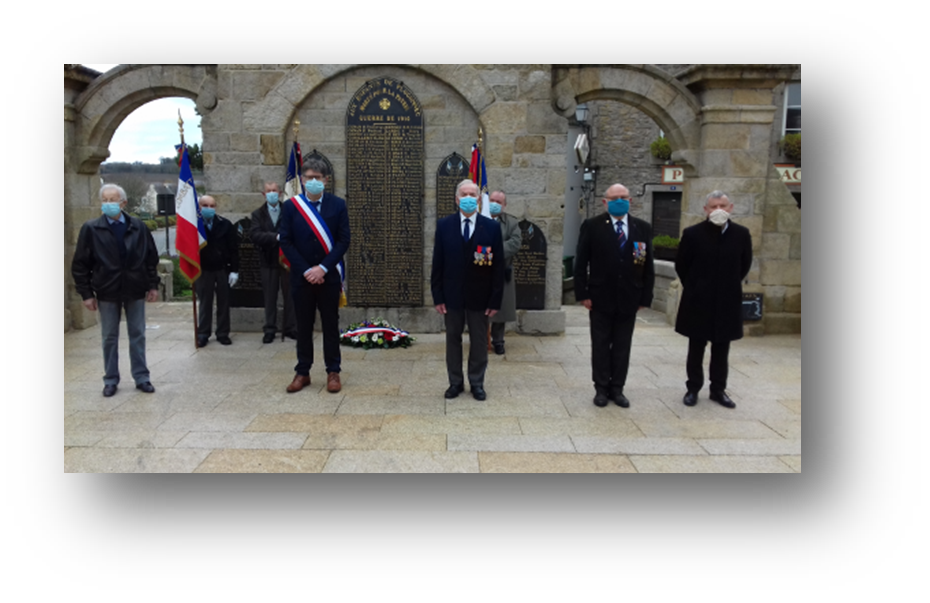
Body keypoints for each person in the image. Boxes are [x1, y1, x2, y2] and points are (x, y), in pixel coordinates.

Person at [71, 184, 159, 397]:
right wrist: (86, 294)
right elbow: (81, 264)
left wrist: (153, 285)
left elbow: (150, 258)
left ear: (123, 203)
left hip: (134, 287)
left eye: (114, 199)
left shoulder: (138, 226)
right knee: (109, 336)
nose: (109, 203)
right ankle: (110, 379)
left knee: (137, 334)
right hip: (107, 290)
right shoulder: (91, 228)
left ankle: (141, 377)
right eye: (106, 199)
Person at [574, 183, 655, 408]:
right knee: (600, 344)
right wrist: (583, 293)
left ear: (630, 200)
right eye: (614, 197)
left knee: (622, 345)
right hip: (600, 297)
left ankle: (617, 388)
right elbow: (581, 262)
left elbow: (647, 265)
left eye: (623, 197)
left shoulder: (642, 228)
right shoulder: (592, 226)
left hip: (629, 297)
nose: (619, 200)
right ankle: (600, 388)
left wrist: (645, 297)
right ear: (605, 201)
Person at [675, 191, 752, 409]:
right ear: (706, 210)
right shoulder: (692, 234)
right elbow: (682, 265)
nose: (718, 209)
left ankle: (718, 389)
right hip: (699, 301)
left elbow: (744, 264)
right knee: (696, 347)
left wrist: (728, 285)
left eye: (722, 205)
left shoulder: (741, 234)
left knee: (721, 348)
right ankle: (693, 388)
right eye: (713, 206)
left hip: (727, 300)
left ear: (730, 208)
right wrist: (696, 287)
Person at [279, 159, 350, 394]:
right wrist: (307, 270)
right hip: (302, 278)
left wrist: (323, 268)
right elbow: (286, 242)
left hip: (328, 277)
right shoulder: (291, 207)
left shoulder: (338, 205)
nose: (313, 181)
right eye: (309, 177)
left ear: (326, 180)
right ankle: (303, 372)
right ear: (302, 179)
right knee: (303, 325)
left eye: (318, 178)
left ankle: (333, 371)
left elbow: (343, 241)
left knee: (330, 325)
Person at [431, 179, 505, 401]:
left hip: (480, 297)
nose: (469, 198)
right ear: (456, 199)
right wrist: (438, 296)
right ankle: (455, 382)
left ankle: (476, 382)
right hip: (452, 296)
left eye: (473, 194)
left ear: (478, 199)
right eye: (464, 194)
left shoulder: (491, 227)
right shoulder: (444, 226)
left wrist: (495, 300)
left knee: (479, 341)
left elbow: (498, 266)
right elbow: (438, 263)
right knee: (453, 339)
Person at [250, 182, 296, 344]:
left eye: (274, 191)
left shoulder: (289, 211)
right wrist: (276, 237)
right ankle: (270, 328)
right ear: (264, 194)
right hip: (268, 260)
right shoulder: (257, 214)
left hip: (287, 261)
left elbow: (295, 232)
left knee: (290, 295)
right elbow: (255, 235)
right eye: (268, 191)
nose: (271, 193)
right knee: (270, 297)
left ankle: (290, 327)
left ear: (280, 193)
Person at [195, 195, 239, 348]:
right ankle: (203, 333)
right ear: (199, 207)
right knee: (205, 303)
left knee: (223, 303)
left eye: (212, 205)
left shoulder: (225, 224)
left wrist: (235, 270)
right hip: (203, 270)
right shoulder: (195, 225)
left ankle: (222, 333)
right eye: (205, 205)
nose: (209, 208)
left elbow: (234, 250)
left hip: (222, 269)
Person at [488, 190, 522, 355]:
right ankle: (480, 339)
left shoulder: (511, 222)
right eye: (492, 200)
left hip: (501, 270)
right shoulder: (480, 218)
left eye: (498, 202)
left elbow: (515, 243)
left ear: (504, 205)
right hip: (480, 271)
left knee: (500, 308)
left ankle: (498, 340)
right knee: (479, 307)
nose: (494, 204)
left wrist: (493, 251)